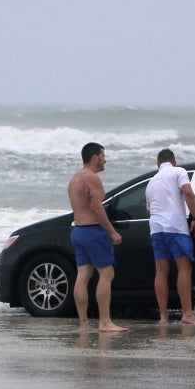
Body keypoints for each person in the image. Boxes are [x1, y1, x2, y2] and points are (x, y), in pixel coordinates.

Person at [67, 142, 128, 332]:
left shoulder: (74, 178)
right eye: (103, 156)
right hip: (93, 231)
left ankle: (84, 323)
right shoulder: (91, 177)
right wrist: (111, 231)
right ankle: (105, 322)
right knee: (107, 274)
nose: (105, 160)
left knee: (83, 275)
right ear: (94, 157)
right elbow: (96, 207)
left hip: (78, 231)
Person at [145, 148, 195, 324]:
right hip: (175, 227)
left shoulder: (151, 182)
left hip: (156, 229)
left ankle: (163, 316)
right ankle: (187, 314)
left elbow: (149, 210)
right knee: (184, 268)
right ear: (174, 161)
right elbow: (188, 192)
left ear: (158, 164)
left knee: (161, 271)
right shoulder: (179, 171)